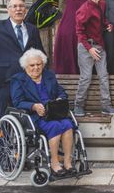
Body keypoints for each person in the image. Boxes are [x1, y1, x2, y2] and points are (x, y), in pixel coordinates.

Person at [11, 49, 75, 177]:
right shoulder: (19, 80)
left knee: (68, 125)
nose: (36, 67)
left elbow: (61, 91)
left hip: (54, 112)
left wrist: (60, 99)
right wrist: (33, 106)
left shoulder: (48, 75)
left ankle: (68, 161)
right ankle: (55, 162)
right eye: (32, 65)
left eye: (38, 64)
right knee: (55, 126)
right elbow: (17, 102)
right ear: (25, 66)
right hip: (36, 116)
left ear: (43, 64)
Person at [0, 0, 44, 117]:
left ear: (25, 9)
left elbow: (40, 53)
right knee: (5, 114)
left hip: (28, 80)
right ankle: (3, 137)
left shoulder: (32, 29)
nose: (18, 9)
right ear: (8, 9)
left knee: (27, 115)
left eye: (21, 6)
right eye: (14, 6)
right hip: (6, 79)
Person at [74, 0, 114, 117]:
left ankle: (106, 106)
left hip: (99, 45)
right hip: (86, 47)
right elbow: (79, 33)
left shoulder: (102, 4)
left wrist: (108, 25)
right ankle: (78, 106)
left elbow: (102, 21)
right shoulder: (84, 9)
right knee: (86, 77)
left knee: (103, 76)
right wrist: (89, 49)